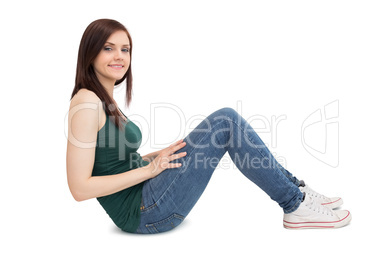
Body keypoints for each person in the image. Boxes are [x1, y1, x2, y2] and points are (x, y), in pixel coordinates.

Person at [66, 19, 351, 234]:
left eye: (125, 49)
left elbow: (115, 163)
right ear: (90, 53)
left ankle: (296, 192)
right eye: (108, 48)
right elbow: (79, 188)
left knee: (224, 122)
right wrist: (149, 169)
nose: (119, 56)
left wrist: (156, 156)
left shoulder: (104, 101)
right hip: (144, 212)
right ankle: (295, 204)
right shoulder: (86, 102)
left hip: (147, 192)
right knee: (225, 121)